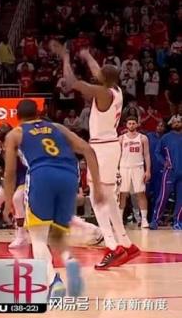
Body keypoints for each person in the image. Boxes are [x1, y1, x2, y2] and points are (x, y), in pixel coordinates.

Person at [52, 42, 140, 270]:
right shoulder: (116, 89)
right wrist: (87, 55)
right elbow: (98, 71)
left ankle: (112, 246)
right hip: (109, 145)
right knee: (108, 197)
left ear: (103, 78)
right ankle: (126, 244)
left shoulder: (102, 92)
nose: (96, 72)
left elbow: (71, 83)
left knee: (97, 197)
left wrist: (65, 57)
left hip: (102, 148)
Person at [3, 99, 103, 298]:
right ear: (39, 112)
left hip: (42, 176)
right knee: (57, 233)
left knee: (38, 237)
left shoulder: (15, 133)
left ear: (17, 116)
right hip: (69, 176)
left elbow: (10, 172)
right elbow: (88, 150)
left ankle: (53, 281)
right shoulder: (57, 127)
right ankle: (70, 261)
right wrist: (97, 188)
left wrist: (8, 203)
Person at [118, 117, 151, 228]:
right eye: (129, 123)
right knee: (122, 194)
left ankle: (144, 219)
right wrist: (116, 170)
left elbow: (146, 155)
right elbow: (117, 155)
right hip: (124, 168)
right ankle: (119, 219)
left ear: (137, 124)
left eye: (133, 123)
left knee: (140, 193)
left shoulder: (143, 138)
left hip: (138, 168)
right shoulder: (121, 138)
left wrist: (148, 170)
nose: (131, 125)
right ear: (126, 125)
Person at [150, 116, 182, 230]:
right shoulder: (166, 137)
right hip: (170, 172)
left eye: (179, 122)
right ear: (171, 124)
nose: (177, 123)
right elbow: (157, 152)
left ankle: (178, 221)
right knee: (163, 197)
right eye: (175, 122)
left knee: (181, 199)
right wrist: (164, 162)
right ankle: (155, 220)